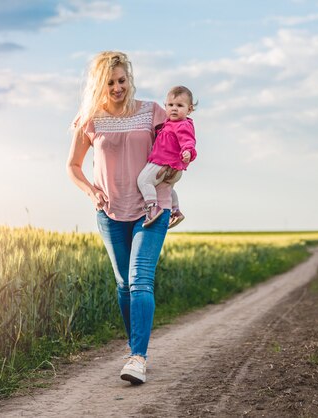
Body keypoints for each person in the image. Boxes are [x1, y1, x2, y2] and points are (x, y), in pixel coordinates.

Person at [66, 51, 176, 384]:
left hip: (151, 208)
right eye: (110, 82)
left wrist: (175, 181)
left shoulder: (152, 112)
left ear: (130, 79)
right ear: (100, 85)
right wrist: (91, 191)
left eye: (122, 80)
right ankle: (135, 347)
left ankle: (138, 357)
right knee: (124, 284)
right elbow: (72, 166)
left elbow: (173, 150)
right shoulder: (90, 119)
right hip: (110, 212)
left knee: (140, 279)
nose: (118, 88)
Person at [137, 85, 197, 228]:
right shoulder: (169, 124)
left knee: (143, 181)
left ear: (189, 110)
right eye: (170, 105)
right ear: (165, 106)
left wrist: (188, 151)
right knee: (168, 189)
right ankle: (175, 211)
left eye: (179, 105)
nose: (174, 108)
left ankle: (152, 208)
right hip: (174, 169)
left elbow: (189, 140)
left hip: (162, 163)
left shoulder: (182, 125)